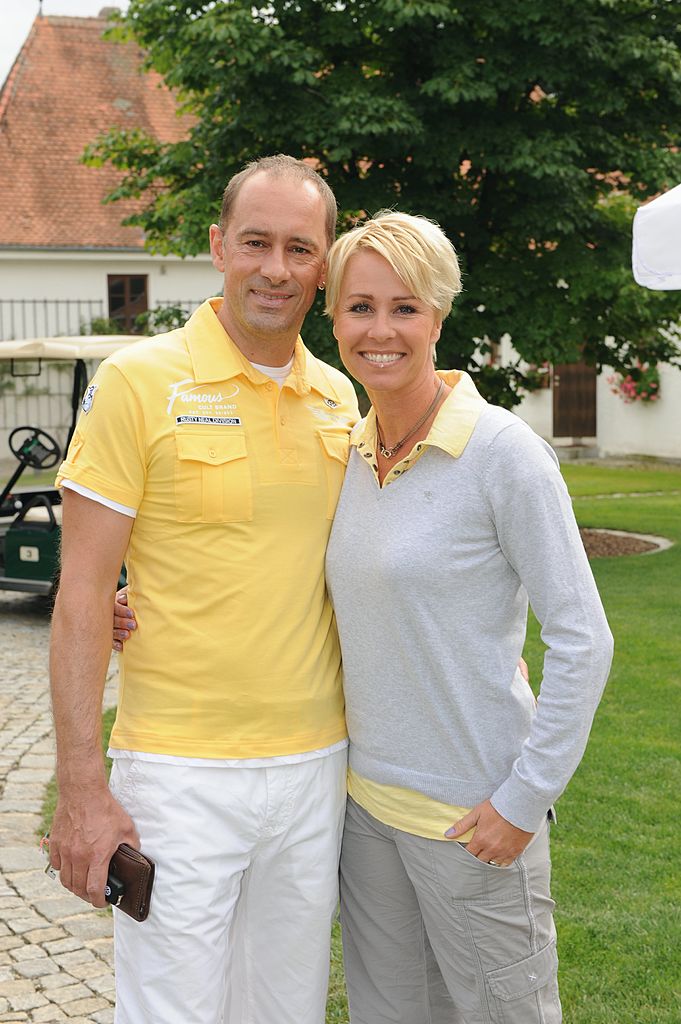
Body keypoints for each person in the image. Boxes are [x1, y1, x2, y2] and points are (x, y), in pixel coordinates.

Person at [48, 154, 360, 1024]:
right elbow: (79, 595)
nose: (275, 268)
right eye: (255, 242)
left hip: (315, 767)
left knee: (285, 1010)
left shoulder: (341, 398)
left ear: (324, 262)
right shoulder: (138, 383)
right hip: (179, 774)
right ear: (219, 245)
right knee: (171, 1013)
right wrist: (81, 787)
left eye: (300, 248)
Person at [320, 211, 614, 1023]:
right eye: (359, 307)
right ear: (333, 317)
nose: (380, 330)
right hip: (364, 816)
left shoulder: (503, 453)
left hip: (473, 821)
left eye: (404, 308)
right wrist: (141, 603)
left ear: (440, 318)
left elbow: (582, 637)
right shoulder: (341, 451)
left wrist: (524, 799)